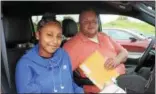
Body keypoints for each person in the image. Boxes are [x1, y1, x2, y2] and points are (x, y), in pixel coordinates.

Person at [63, 8, 128, 93]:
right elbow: (61, 75)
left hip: (123, 76)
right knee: (142, 84)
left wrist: (116, 60)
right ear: (79, 24)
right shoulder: (71, 46)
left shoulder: (104, 36)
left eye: (94, 21)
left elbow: (124, 53)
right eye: (86, 22)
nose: (91, 24)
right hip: (108, 87)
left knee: (145, 72)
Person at [15, 14, 84, 93]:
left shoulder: (64, 55)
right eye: (49, 35)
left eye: (59, 36)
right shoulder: (25, 64)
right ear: (38, 35)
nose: (55, 41)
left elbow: (69, 83)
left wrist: (79, 91)